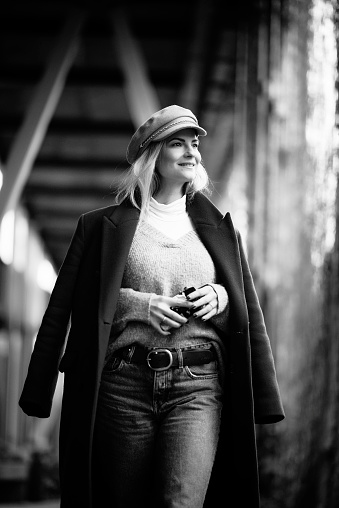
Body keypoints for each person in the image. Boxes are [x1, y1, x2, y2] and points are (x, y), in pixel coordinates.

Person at [19, 105, 285, 508]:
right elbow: (67, 307)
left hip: (198, 383)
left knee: (180, 502)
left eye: (194, 144)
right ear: (152, 156)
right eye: (177, 143)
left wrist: (222, 297)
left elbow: (249, 312)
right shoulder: (99, 228)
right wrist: (140, 305)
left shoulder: (222, 231)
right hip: (123, 384)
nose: (191, 152)